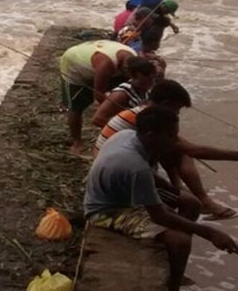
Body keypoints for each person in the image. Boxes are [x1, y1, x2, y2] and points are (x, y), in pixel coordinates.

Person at [85, 107, 238, 291]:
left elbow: (150, 175)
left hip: (123, 190)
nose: (174, 140)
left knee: (191, 202)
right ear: (151, 134)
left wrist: (175, 191)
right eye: (170, 135)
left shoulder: (127, 135)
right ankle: (173, 289)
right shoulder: (134, 166)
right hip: (108, 210)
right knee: (180, 241)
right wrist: (210, 233)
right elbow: (159, 215)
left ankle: (176, 266)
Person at [94, 80, 238, 220]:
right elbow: (193, 150)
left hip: (110, 164)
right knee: (182, 158)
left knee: (174, 147)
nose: (177, 114)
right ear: (165, 103)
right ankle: (200, 202)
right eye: (177, 109)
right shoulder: (150, 119)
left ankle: (181, 191)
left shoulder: (143, 113)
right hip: (119, 175)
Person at [59, 40, 137, 153]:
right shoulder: (105, 65)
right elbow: (99, 94)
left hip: (95, 59)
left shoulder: (133, 56)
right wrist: (115, 118)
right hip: (74, 65)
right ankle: (76, 142)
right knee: (75, 106)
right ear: (124, 69)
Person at [91, 57, 156, 129]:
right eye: (142, 83)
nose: (147, 85)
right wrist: (123, 129)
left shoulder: (149, 89)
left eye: (150, 81)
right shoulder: (121, 94)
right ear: (132, 76)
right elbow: (97, 119)